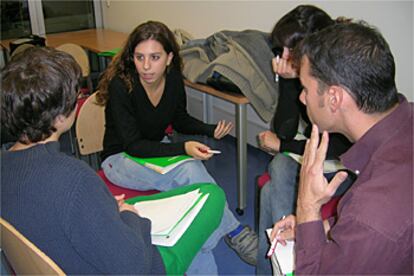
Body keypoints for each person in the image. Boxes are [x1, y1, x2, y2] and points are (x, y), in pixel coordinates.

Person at [0, 46, 227, 275]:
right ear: (60, 117)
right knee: (212, 196)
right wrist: (129, 216)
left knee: (197, 240)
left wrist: (104, 210)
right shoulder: (74, 178)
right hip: (139, 267)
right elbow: (134, 266)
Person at [96, 21, 258, 267]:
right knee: (190, 172)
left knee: (191, 179)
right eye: (140, 57)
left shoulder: (172, 80)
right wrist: (183, 148)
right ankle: (234, 233)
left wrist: (209, 129)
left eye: (155, 57)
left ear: (169, 58)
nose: (147, 66)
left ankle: (205, 237)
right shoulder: (122, 85)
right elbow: (133, 145)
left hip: (154, 151)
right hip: (120, 159)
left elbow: (179, 118)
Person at [271, 21, 413, 274]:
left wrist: (307, 206)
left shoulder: (372, 212)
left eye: (305, 89)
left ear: (334, 98)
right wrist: (315, 227)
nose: (302, 98)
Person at [256, 5, 352, 273]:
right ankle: (278, 263)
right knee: (272, 182)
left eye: (292, 52)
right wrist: (289, 80)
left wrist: (283, 146)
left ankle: (285, 262)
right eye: (281, 51)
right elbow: (284, 129)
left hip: (340, 167)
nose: (285, 58)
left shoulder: (339, 76)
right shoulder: (303, 74)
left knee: (277, 172)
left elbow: (335, 147)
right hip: (310, 156)